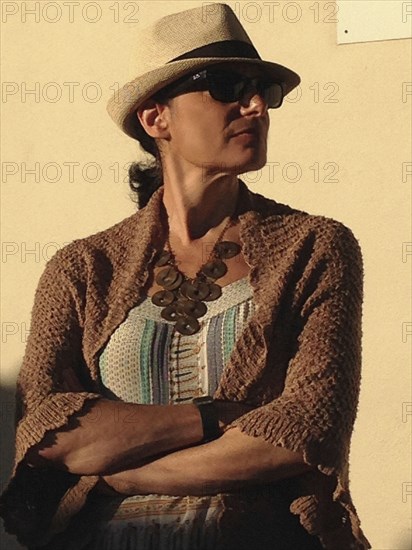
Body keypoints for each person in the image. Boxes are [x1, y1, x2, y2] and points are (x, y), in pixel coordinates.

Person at [0, 4, 371, 549]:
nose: (255, 105)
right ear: (156, 118)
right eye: (225, 85)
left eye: (261, 90)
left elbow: (303, 434)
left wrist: (120, 473)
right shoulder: (82, 268)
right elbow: (49, 432)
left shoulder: (314, 247)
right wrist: (215, 417)